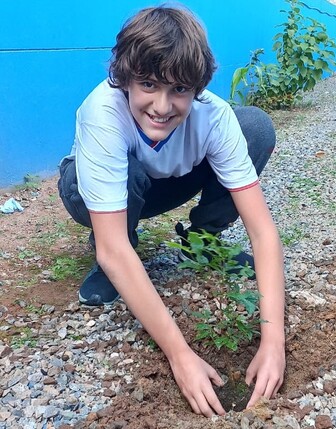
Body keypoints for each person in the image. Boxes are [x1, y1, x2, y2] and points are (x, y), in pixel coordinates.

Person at [58, 5, 285, 417]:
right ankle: (120, 247)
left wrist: (274, 342)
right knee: (115, 217)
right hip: (102, 189)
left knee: (254, 126)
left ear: (197, 87)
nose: (162, 105)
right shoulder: (103, 114)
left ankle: (204, 241)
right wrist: (180, 355)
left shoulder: (213, 116)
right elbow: (113, 243)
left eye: (179, 89)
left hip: (170, 183)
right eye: (148, 84)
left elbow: (263, 232)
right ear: (124, 78)